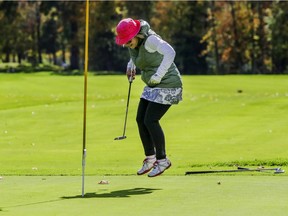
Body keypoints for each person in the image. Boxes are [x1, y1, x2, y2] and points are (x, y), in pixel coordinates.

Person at [115, 18, 183, 177]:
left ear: (137, 35)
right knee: (140, 119)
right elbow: (136, 56)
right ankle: (150, 158)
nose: (126, 44)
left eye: (128, 41)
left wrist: (159, 75)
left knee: (150, 120)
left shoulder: (151, 40)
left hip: (169, 84)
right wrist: (130, 66)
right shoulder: (135, 43)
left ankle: (162, 160)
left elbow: (170, 52)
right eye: (124, 42)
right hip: (153, 85)